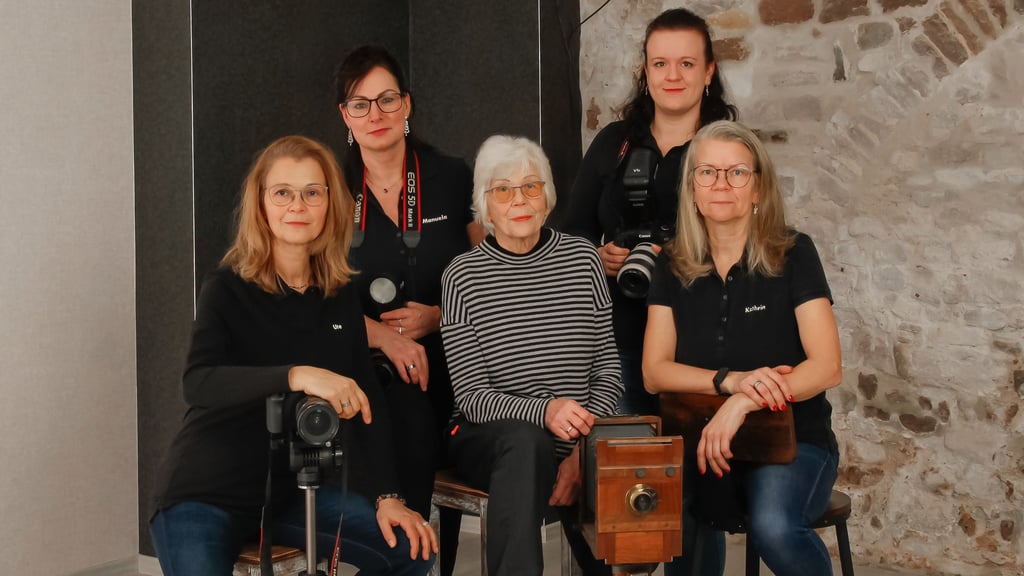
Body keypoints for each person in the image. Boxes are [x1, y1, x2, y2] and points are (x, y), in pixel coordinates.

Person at [149, 135, 436, 576]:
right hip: (203, 494)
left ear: (330, 204)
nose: (297, 206)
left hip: (287, 495)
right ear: (261, 205)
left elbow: (368, 402)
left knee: (411, 551)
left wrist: (388, 497)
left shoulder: (339, 296)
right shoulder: (225, 287)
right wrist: (297, 375)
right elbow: (198, 382)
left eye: (312, 192)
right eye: (282, 192)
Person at [643, 120, 843, 576]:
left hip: (793, 439)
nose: (721, 184)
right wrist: (728, 382)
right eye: (707, 172)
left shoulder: (794, 253)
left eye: (737, 172)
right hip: (700, 435)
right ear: (692, 189)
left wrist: (743, 402)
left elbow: (827, 367)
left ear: (758, 189)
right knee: (664, 515)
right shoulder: (671, 264)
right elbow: (655, 371)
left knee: (773, 525)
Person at [441, 135, 622, 576]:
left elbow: (609, 371)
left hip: (578, 439)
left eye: (531, 186)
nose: (518, 200)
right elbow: (472, 397)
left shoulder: (583, 260)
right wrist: (545, 412)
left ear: (547, 197)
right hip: (489, 441)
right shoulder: (461, 276)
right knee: (527, 443)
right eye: (502, 189)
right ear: (485, 204)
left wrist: (582, 449)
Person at [561, 7, 737, 417]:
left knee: (699, 469)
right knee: (627, 469)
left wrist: (678, 257)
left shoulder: (727, 149)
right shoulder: (613, 143)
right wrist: (598, 257)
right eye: (660, 63)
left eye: (686, 63)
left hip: (703, 340)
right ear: (645, 71)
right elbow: (572, 237)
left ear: (708, 72)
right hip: (618, 340)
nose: (672, 76)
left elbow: (751, 241)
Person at [335, 45, 485, 522]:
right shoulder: (328, 188)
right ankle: (410, 552)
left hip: (457, 355)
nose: (375, 114)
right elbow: (311, 297)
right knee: (406, 406)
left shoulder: (453, 176)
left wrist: (440, 316)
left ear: (407, 105)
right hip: (365, 361)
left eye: (387, 99)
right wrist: (384, 339)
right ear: (345, 115)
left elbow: (490, 276)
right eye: (360, 104)